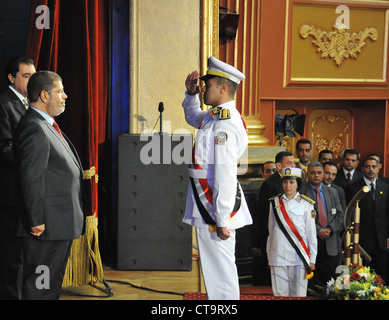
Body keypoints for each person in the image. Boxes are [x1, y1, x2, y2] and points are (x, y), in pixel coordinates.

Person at [181, 57, 252, 300]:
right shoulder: (216, 116)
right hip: (207, 202)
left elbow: (225, 174)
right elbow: (193, 118)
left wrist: (221, 218)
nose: (203, 88)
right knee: (215, 272)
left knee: (221, 274)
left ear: (223, 87)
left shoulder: (226, 124)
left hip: (214, 205)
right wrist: (190, 95)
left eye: (207, 84)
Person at [14, 71, 85, 300]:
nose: (65, 96)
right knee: (40, 287)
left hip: (57, 225)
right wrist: (36, 220)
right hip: (45, 228)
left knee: (49, 286)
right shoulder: (34, 127)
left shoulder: (47, 125)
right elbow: (31, 178)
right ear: (44, 95)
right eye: (60, 91)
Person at [0, 56, 36, 299]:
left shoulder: (32, 103)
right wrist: (34, 156)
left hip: (28, 191)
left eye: (34, 75)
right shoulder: (4, 104)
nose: (32, 80)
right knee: (11, 254)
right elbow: (5, 148)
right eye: (26, 76)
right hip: (11, 192)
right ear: (12, 78)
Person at [267, 167, 317, 297]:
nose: (287, 186)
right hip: (278, 256)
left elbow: (311, 235)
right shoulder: (274, 203)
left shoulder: (307, 204)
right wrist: (269, 255)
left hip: (299, 256)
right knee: (279, 294)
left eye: (291, 182)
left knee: (298, 295)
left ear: (297, 184)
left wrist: (312, 259)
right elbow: (271, 232)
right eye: (285, 182)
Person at [253, 151, 295, 285]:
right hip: (277, 235)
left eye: (294, 163)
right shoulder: (270, 184)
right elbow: (266, 215)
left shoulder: (296, 180)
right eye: (289, 163)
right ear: (279, 165)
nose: (293, 165)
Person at [300, 162, 344, 287]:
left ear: (323, 174)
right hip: (310, 243)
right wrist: (318, 230)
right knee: (312, 284)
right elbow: (300, 219)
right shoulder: (301, 192)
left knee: (331, 283)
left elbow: (340, 216)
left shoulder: (332, 192)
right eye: (313, 173)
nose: (316, 176)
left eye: (319, 173)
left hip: (331, 242)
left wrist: (330, 228)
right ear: (308, 174)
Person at [345, 157, 389, 282]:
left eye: (373, 167)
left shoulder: (385, 187)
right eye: (368, 167)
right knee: (362, 276)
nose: (371, 170)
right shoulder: (353, 188)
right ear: (363, 168)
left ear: (378, 168)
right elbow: (349, 215)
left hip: (381, 241)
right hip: (362, 241)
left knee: (382, 275)